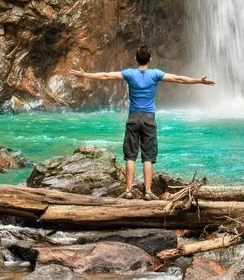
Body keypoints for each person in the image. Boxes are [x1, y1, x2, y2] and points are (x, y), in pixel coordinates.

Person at [69, 45, 215, 200]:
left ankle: (128, 190)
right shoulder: (155, 74)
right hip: (149, 119)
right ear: (150, 58)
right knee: (148, 157)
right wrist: (199, 81)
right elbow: (178, 78)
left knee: (130, 156)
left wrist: (85, 75)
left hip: (133, 118)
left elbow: (106, 76)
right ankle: (148, 191)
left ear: (135, 58)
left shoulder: (129, 73)